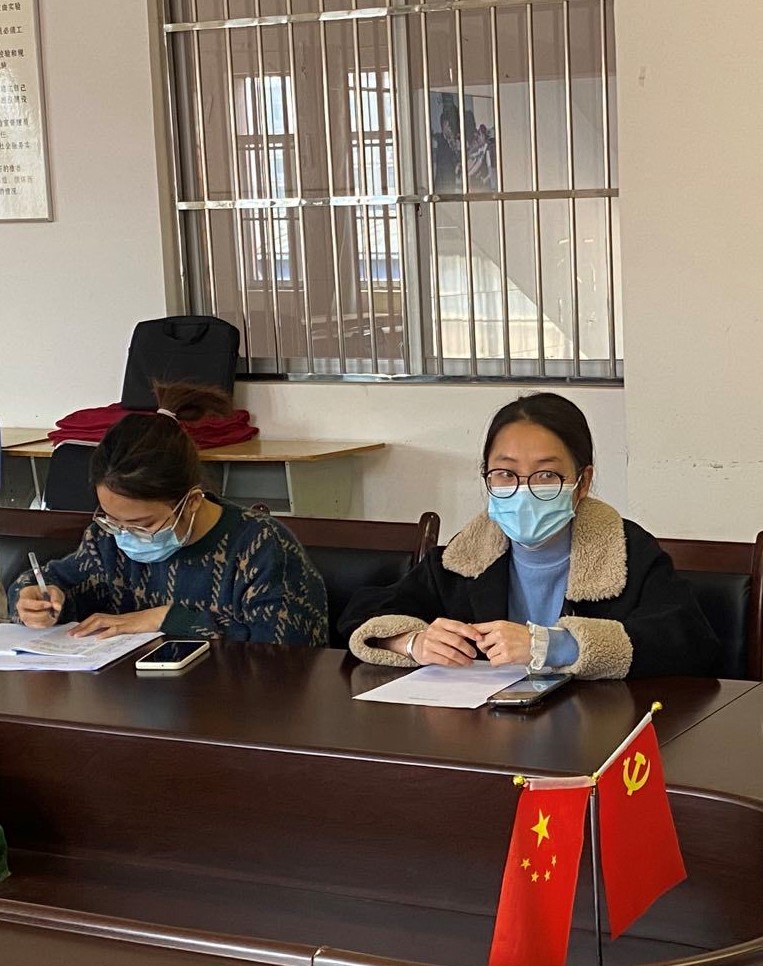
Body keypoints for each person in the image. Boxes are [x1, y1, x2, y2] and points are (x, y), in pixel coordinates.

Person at [339, 393, 721, 678]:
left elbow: (689, 643)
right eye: (505, 474)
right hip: (486, 737)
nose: (524, 491)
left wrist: (556, 646)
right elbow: (361, 614)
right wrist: (411, 642)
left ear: (582, 482)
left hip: (594, 737)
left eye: (546, 475)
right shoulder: (466, 556)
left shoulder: (625, 550)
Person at [9, 384, 328, 647]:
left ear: (191, 501)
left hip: (235, 702)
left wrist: (165, 618)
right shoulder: (107, 539)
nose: (124, 535)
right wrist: (33, 599)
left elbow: (287, 652)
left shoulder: (261, 547)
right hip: (132, 696)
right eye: (112, 519)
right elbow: (54, 582)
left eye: (143, 524)